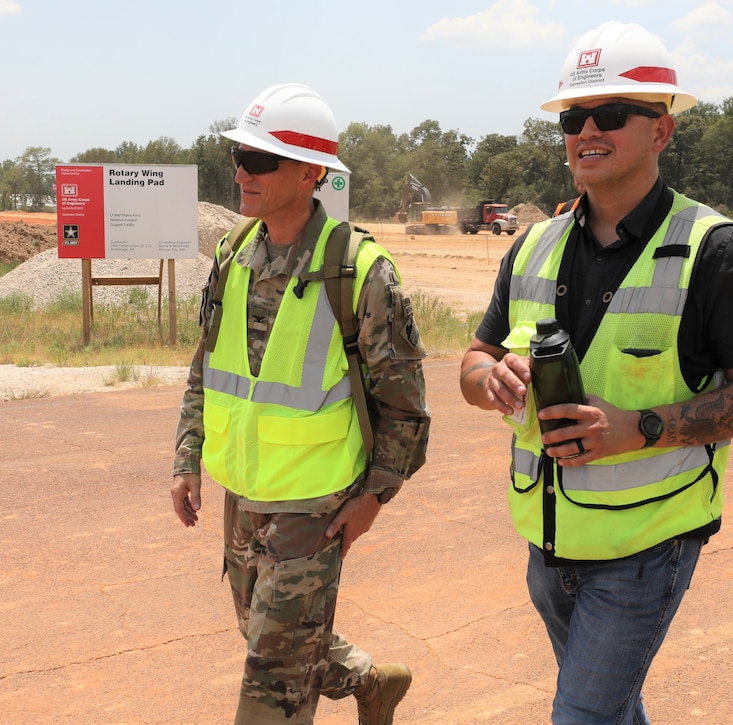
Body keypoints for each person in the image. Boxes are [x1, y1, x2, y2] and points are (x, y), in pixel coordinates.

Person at [459, 21, 733, 725]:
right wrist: (489, 380)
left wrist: (637, 428)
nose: (587, 131)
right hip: (549, 541)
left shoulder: (719, 252)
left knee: (582, 716)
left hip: (648, 543)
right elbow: (474, 359)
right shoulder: (532, 246)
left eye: (611, 114)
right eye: (574, 118)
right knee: (611, 710)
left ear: (661, 131)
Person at [171, 82, 430, 725]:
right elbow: (207, 366)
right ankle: (371, 681)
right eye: (239, 155)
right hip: (244, 493)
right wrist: (186, 458)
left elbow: (406, 408)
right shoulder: (232, 255)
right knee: (262, 631)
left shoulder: (361, 272)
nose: (240, 172)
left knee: (272, 681)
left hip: (314, 508)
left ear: (311, 171)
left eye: (260, 160)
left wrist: (374, 498)